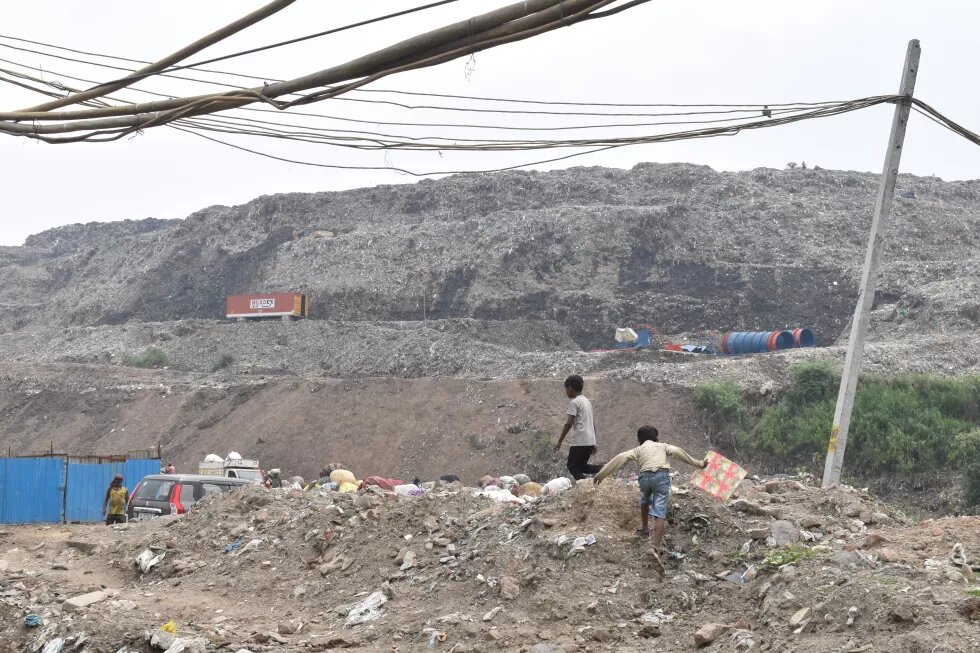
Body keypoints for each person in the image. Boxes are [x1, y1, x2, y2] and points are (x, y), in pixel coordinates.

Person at [593, 426, 706, 566]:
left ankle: (645, 528)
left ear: (639, 440)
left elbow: (620, 458)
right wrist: (699, 464)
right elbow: (678, 451)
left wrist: (601, 474)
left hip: (644, 477)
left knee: (645, 499)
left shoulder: (637, 450)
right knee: (659, 511)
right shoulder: (662, 446)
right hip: (661, 476)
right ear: (656, 438)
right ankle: (654, 547)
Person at [553, 375, 603, 480]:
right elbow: (592, 423)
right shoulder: (587, 402)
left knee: (571, 466)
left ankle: (584, 485)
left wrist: (559, 441)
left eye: (566, 389)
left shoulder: (574, 402)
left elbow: (568, 424)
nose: (566, 392)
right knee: (581, 467)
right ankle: (602, 468)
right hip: (589, 439)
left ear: (570, 388)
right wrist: (593, 442)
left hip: (580, 440)